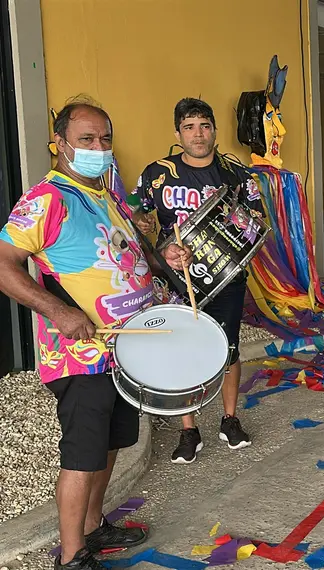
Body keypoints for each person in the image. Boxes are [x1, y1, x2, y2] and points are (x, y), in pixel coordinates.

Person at [0, 101, 190, 570]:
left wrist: (166, 255)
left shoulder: (106, 194)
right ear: (60, 143)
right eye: (86, 140)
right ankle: (72, 556)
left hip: (122, 350)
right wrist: (58, 311)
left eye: (105, 138)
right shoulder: (46, 199)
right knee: (82, 455)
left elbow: (128, 253)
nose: (98, 148)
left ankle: (93, 526)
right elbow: (4, 266)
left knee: (109, 444)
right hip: (78, 355)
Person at [133, 98, 264, 464]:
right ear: (178, 133)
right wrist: (146, 228)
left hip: (226, 277)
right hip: (175, 278)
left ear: (214, 130)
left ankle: (230, 418)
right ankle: (188, 430)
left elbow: (256, 224)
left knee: (229, 348)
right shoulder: (157, 174)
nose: (198, 134)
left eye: (204, 125)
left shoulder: (236, 174)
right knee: (182, 349)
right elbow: (136, 214)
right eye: (189, 127)